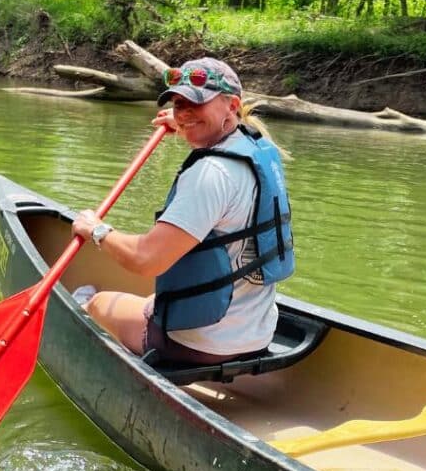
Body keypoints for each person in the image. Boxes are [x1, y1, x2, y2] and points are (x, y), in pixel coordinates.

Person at [71, 57, 294, 365]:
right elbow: (221, 130)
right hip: (257, 333)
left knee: (98, 301)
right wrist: (189, 124)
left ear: (231, 105)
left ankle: (84, 317)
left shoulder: (209, 174)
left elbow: (145, 259)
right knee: (149, 301)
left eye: (196, 104)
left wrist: (95, 229)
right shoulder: (260, 150)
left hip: (200, 344)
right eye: (178, 104)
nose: (184, 112)